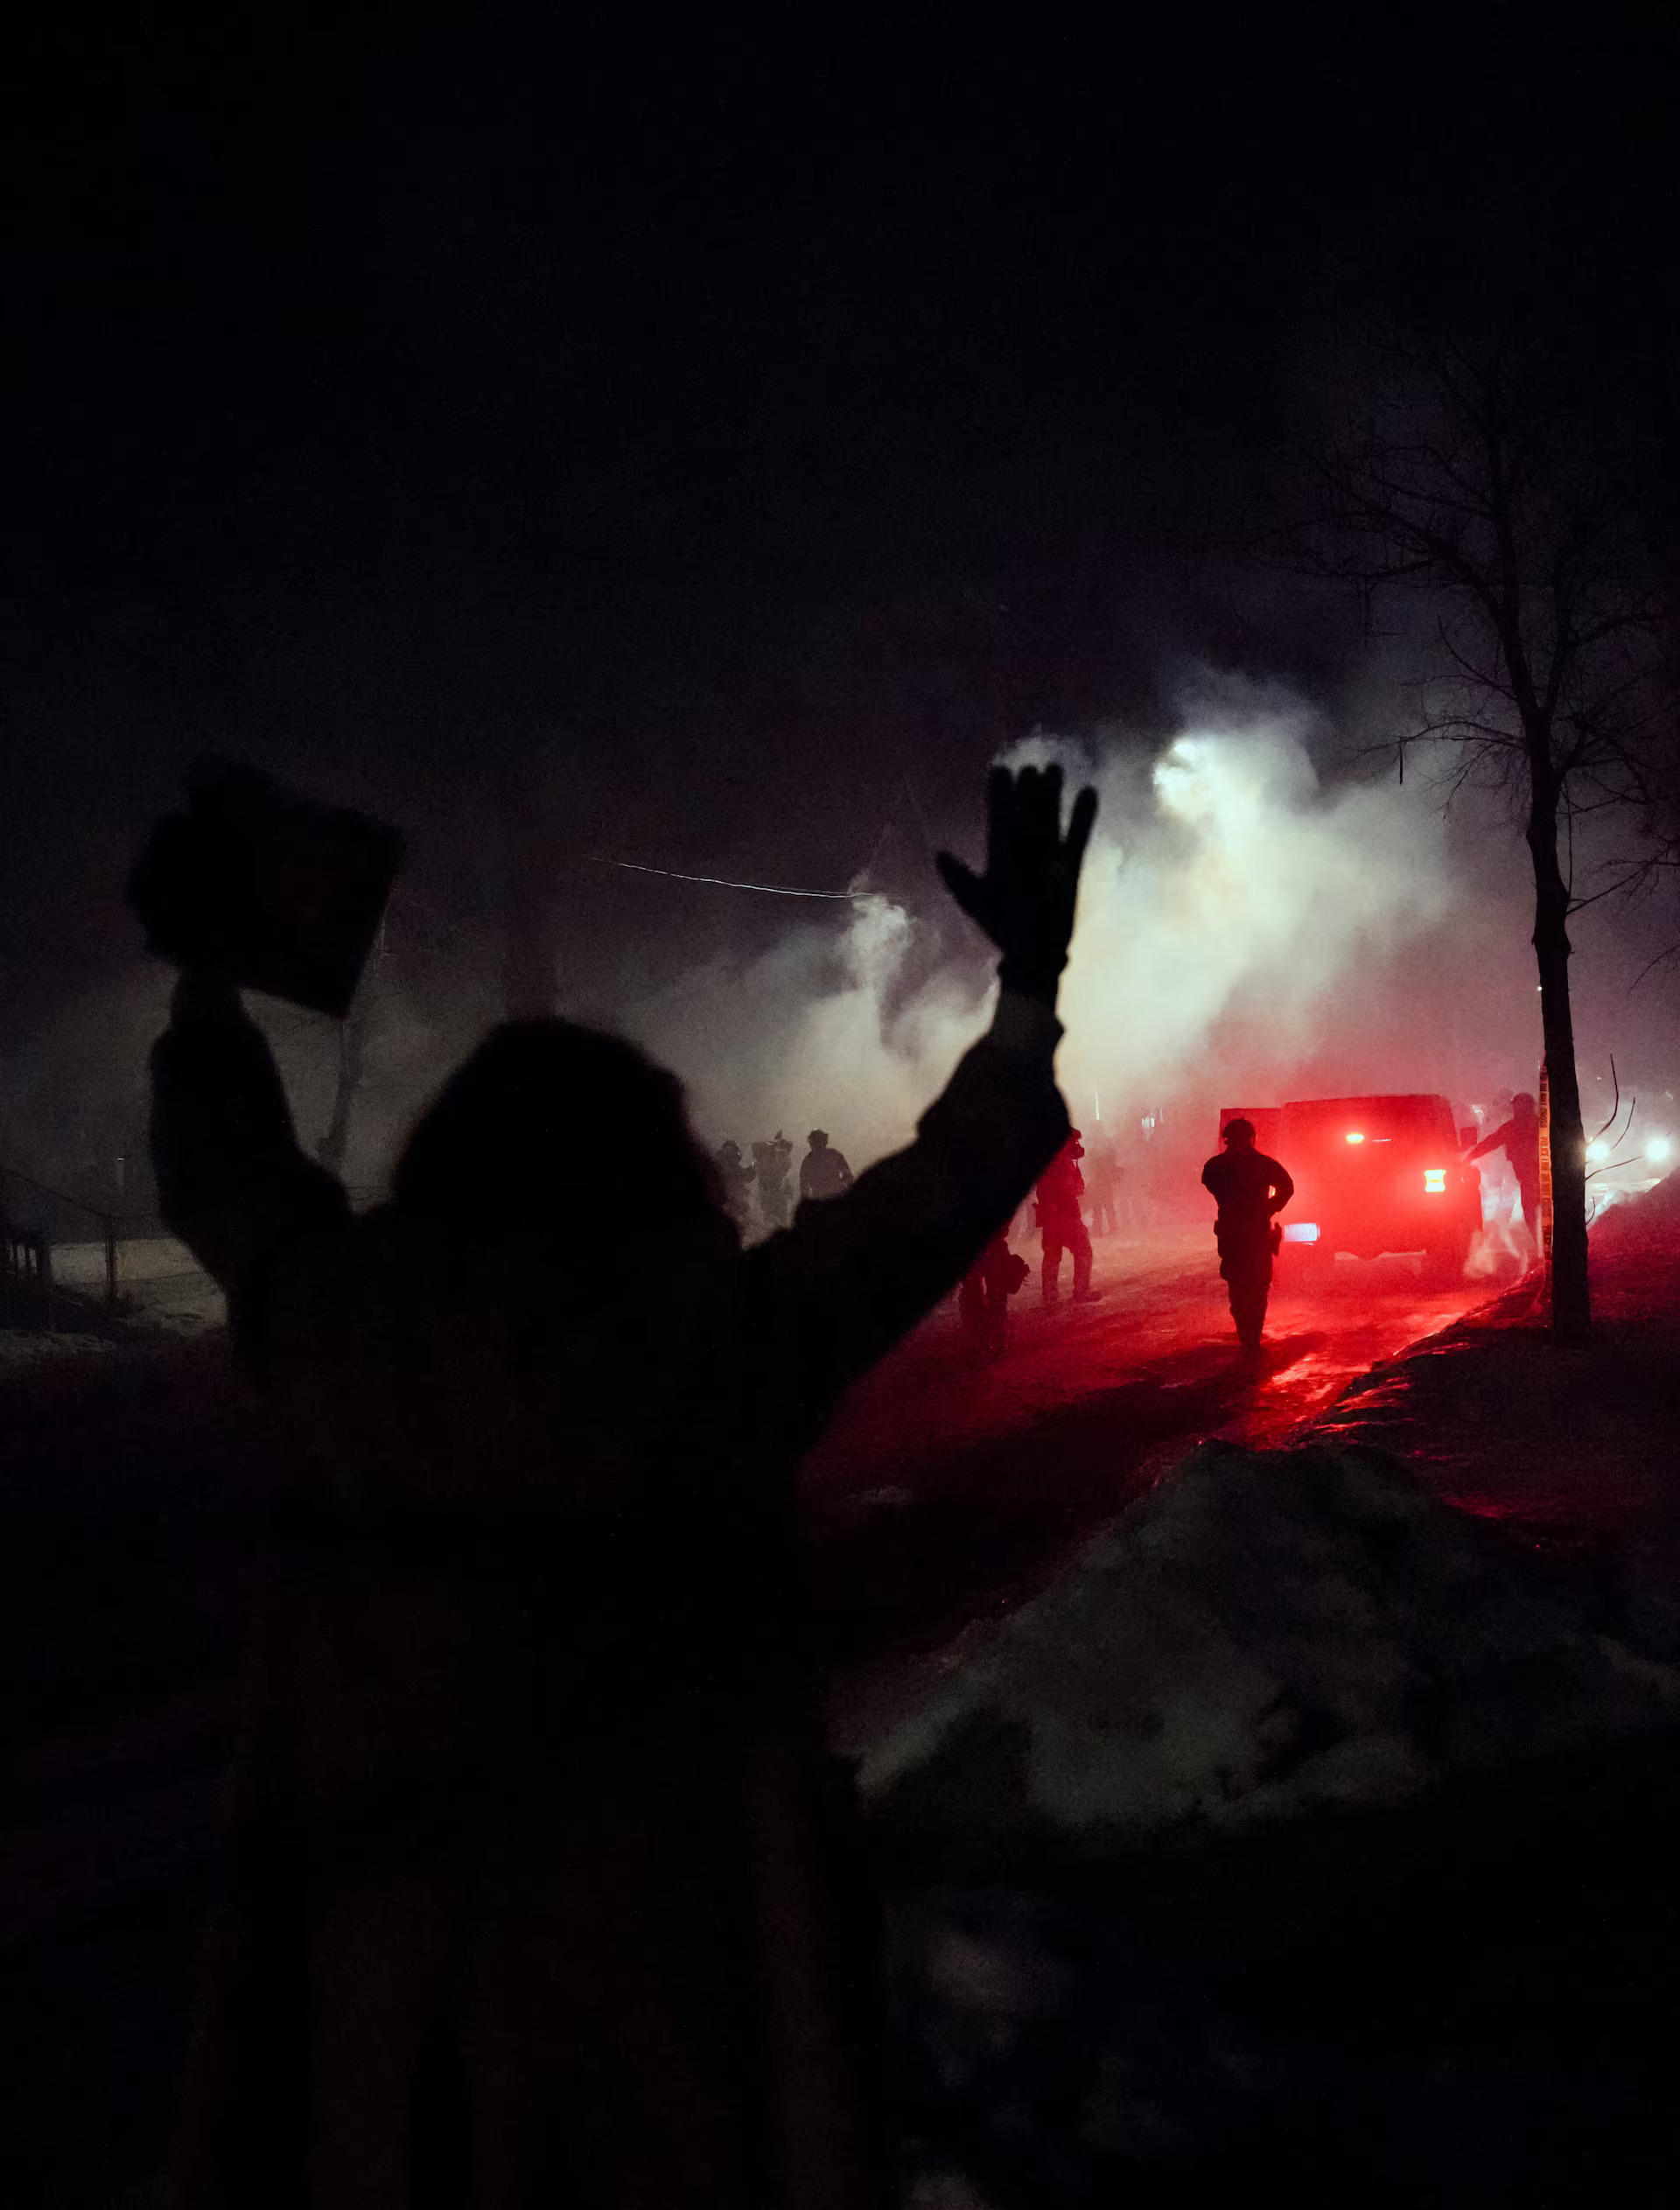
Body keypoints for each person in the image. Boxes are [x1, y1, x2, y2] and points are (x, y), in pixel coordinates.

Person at [145, 760, 1096, 2210]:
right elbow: (939, 1192)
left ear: (445, 1162)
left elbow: (227, 1169)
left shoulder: (339, 1328)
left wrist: (209, 979)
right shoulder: (719, 1344)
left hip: (396, 2003)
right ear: (660, 1168)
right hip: (674, 2006)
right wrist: (1027, 988)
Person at [1200, 1115, 1294, 1354]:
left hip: (1232, 1233)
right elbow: (1287, 1186)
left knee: (1238, 1285)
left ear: (1227, 1140)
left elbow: (1210, 1183)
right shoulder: (1263, 1164)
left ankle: (1246, 1335)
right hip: (1256, 1231)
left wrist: (1229, 1203)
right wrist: (1268, 1208)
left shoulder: (1215, 1166)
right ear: (1252, 1138)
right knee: (1258, 1284)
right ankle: (1252, 1337)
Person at [1465, 1092, 1542, 1252]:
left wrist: (1470, 1157)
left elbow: (1491, 1142)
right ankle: (1544, 1244)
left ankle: (1544, 1244)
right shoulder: (1530, 1126)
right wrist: (1471, 1156)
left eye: (1521, 1107)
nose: (1519, 1110)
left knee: (1532, 1211)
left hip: (1533, 1178)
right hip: (1533, 1178)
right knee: (1533, 1211)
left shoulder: (1517, 1127)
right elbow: (1491, 1142)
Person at [1037, 1129, 1097, 1305]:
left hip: (1049, 1216)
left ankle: (1049, 1297)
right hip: (1064, 1215)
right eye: (1075, 1142)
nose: (1077, 1146)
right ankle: (1081, 1292)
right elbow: (1066, 1190)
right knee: (1083, 1249)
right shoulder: (1062, 1161)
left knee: (1052, 1255)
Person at [957, 1227, 1031, 1360]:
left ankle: (982, 1341)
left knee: (980, 1292)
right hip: (990, 1247)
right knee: (992, 1293)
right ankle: (991, 1341)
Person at [1083, 1127, 1123, 1237]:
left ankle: (1098, 1230)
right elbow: (1112, 1158)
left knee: (1098, 1205)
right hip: (1105, 1177)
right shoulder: (1107, 1143)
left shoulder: (1095, 1144)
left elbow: (1090, 1161)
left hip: (1099, 1177)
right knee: (1107, 1204)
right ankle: (1112, 1227)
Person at [752, 1132, 794, 1232]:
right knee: (771, 1220)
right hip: (770, 1196)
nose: (785, 1155)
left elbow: (784, 1176)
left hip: (775, 1196)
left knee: (777, 1220)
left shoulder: (782, 1162)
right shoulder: (769, 1162)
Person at [799, 1129, 854, 1203]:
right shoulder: (807, 1162)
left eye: (820, 1140)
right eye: (815, 1141)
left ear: (824, 1141)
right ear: (811, 1143)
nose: (818, 1144)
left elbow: (847, 1173)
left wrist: (845, 1186)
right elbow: (804, 1185)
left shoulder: (834, 1155)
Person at [715, 1137, 756, 1234]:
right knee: (742, 1212)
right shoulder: (732, 1160)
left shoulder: (717, 1161)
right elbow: (747, 1177)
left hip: (721, 1195)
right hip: (734, 1195)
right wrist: (752, 1168)